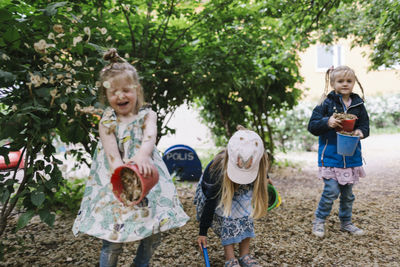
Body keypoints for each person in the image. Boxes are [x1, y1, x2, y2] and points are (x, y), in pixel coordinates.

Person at [72, 48, 189, 267]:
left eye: (126, 90)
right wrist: (125, 177)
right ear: (106, 96)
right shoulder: (107, 121)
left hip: (147, 178)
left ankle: (140, 263)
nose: (120, 96)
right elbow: (112, 155)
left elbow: (150, 136)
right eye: (113, 92)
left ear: (137, 90)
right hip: (117, 184)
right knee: (113, 240)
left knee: (154, 232)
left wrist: (143, 155)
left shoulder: (148, 115)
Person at [194, 126, 271, 267]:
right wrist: (202, 232)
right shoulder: (218, 172)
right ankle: (230, 258)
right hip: (218, 194)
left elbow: (262, 165)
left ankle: (244, 255)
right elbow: (210, 203)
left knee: (247, 215)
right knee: (227, 217)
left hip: (240, 193)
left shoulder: (257, 160)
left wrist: (266, 177)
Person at [308, 65, 370, 238]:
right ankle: (319, 220)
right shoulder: (326, 104)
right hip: (331, 156)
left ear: (354, 83)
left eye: (349, 81)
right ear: (333, 83)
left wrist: (360, 132)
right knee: (331, 191)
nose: (345, 84)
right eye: (340, 81)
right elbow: (312, 126)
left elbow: (365, 125)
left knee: (348, 194)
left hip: (351, 157)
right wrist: (327, 122)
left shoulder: (358, 104)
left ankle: (346, 222)